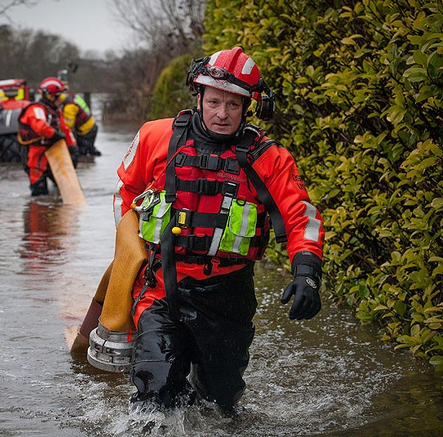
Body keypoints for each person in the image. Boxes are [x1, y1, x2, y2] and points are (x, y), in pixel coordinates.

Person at [113, 47, 325, 414]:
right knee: (154, 398)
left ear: (249, 107)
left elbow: (300, 214)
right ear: (198, 96)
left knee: (220, 405)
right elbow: (125, 197)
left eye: (233, 105)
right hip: (161, 288)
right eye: (213, 102)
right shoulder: (155, 136)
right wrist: (128, 255)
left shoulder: (269, 158)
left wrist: (306, 271)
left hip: (227, 295)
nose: (222, 114)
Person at [18, 79, 78, 196]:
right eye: (59, 97)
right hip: (34, 154)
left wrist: (73, 147)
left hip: (51, 153)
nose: (61, 100)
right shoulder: (36, 109)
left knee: (61, 188)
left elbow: (66, 129)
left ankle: (55, 209)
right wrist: (55, 134)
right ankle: (39, 211)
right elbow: (40, 127)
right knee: (39, 192)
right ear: (51, 96)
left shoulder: (56, 111)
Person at [40, 77, 101, 157]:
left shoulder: (69, 107)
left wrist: (55, 132)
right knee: (89, 149)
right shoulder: (71, 97)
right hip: (91, 126)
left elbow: (68, 127)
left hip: (86, 131)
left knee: (83, 153)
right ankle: (94, 157)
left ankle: (89, 162)